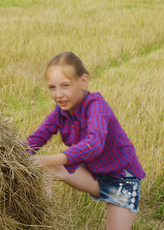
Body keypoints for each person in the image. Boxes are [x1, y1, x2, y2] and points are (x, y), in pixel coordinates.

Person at [26, 52, 145, 230]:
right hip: (94, 175)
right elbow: (36, 139)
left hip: (122, 180)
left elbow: (95, 142)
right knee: (46, 170)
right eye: (52, 87)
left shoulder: (96, 105)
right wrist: (11, 157)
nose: (58, 94)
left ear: (83, 81)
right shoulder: (60, 113)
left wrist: (53, 159)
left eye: (65, 85)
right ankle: (42, 222)